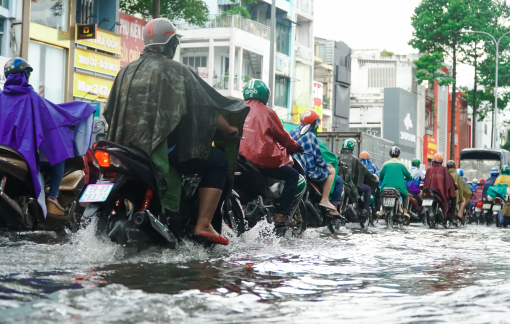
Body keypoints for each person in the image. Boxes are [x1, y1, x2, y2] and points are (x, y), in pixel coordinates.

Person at [104, 19, 249, 245]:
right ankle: (203, 224)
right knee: (218, 161)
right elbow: (206, 107)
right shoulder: (177, 70)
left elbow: (108, 111)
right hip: (158, 150)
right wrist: (229, 127)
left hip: (124, 148)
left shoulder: (126, 71)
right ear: (171, 43)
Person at [0, 58, 94, 217]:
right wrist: (79, 111)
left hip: (5, 152)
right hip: (23, 153)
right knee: (59, 151)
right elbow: (54, 115)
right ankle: (53, 197)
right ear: (24, 75)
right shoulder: (31, 96)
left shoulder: (2, 97)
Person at [239, 79, 304, 226]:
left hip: (238, 159)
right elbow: (283, 137)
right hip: (261, 162)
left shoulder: (236, 107)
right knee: (293, 176)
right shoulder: (268, 112)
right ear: (264, 94)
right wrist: (295, 147)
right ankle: (282, 215)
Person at [289, 110, 341, 215]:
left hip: (293, 168)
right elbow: (317, 158)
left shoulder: (291, 132)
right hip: (308, 171)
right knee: (331, 171)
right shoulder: (311, 136)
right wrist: (325, 165)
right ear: (313, 123)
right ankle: (325, 199)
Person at [338, 139, 379, 219]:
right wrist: (374, 178)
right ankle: (364, 209)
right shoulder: (355, 159)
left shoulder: (337, 157)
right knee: (368, 189)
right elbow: (366, 172)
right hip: (350, 185)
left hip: (338, 183)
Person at [379, 147, 413, 218]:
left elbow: (381, 176)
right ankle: (405, 211)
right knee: (406, 195)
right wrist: (410, 178)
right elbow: (409, 176)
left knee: (382, 195)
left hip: (386, 187)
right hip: (399, 188)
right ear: (399, 154)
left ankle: (383, 210)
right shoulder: (401, 164)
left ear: (390, 154)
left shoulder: (385, 164)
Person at [423, 153, 457, 222]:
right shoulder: (444, 169)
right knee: (453, 197)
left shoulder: (429, 170)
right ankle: (451, 216)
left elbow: (425, 182)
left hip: (429, 191)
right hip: (440, 192)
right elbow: (449, 181)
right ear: (441, 161)